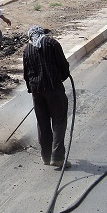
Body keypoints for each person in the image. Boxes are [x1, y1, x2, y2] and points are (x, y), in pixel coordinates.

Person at [22, 25, 72, 168]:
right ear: (42, 33)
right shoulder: (51, 43)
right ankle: (57, 157)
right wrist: (62, 77)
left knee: (43, 123)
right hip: (53, 88)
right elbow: (63, 65)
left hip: (37, 92)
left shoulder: (27, 49)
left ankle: (46, 156)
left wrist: (32, 90)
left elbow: (26, 74)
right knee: (58, 120)